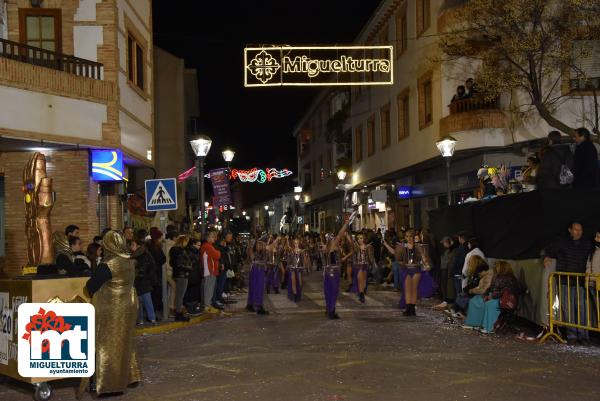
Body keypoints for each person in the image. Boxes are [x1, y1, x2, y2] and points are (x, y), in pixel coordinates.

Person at [81, 231, 140, 396]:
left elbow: (91, 286)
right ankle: (128, 376)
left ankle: (109, 385)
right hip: (128, 306)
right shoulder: (129, 262)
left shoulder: (108, 264)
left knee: (107, 345)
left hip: (112, 310)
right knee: (124, 342)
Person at [544, 221, 592, 344]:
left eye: (580, 230)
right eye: (576, 229)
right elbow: (551, 250)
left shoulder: (586, 244)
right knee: (568, 308)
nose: (578, 232)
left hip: (580, 281)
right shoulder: (562, 242)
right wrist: (546, 256)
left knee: (581, 309)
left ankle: (583, 336)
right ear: (570, 230)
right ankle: (572, 336)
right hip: (565, 281)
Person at [323, 212, 357, 319]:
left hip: (328, 273)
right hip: (333, 273)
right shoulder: (332, 246)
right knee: (333, 292)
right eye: (333, 238)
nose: (336, 239)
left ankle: (329, 310)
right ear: (331, 240)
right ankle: (332, 312)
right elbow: (340, 234)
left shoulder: (327, 248)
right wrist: (346, 224)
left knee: (328, 292)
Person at [130, 238, 157, 325]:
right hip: (141, 281)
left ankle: (151, 319)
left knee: (146, 300)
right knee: (139, 301)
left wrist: (139, 274)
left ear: (138, 246)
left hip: (143, 281)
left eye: (132, 245)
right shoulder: (138, 253)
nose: (131, 247)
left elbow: (144, 268)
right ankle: (141, 320)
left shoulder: (141, 255)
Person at [462, 257, 494, 329]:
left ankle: (474, 323)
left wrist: (472, 291)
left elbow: (483, 290)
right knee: (474, 300)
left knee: (475, 301)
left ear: (482, 271)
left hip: (486, 296)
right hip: (485, 295)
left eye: (479, 273)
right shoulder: (485, 275)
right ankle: (474, 322)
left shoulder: (487, 276)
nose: (479, 274)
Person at [347, 232, 376, 303]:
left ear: (364, 239)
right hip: (358, 266)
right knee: (360, 279)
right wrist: (347, 235)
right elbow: (351, 243)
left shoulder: (368, 247)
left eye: (361, 238)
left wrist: (373, 263)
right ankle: (361, 295)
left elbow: (370, 257)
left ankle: (362, 292)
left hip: (365, 266)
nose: (360, 240)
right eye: (358, 238)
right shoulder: (356, 246)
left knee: (364, 281)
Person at [169, 235, 192, 321]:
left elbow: (173, 263)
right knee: (180, 295)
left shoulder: (174, 250)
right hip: (182, 274)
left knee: (179, 295)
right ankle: (178, 313)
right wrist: (188, 267)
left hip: (178, 274)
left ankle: (178, 312)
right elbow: (180, 263)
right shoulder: (180, 251)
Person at [246, 234, 270, 315]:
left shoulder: (262, 251)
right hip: (257, 270)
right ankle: (258, 307)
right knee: (258, 288)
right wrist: (250, 247)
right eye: (259, 244)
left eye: (261, 244)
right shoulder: (255, 251)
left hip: (257, 270)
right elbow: (252, 258)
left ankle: (250, 304)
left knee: (254, 287)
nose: (260, 245)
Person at [201, 231, 222, 313]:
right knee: (209, 288)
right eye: (212, 236)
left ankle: (208, 305)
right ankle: (207, 306)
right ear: (208, 238)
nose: (214, 238)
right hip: (209, 270)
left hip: (210, 270)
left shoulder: (208, 246)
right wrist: (218, 252)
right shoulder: (208, 246)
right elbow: (217, 255)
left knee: (209, 288)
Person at [434, 236, 457, 310]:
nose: (443, 244)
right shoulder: (448, 251)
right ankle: (445, 300)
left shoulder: (452, 251)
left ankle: (447, 301)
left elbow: (449, 262)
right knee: (444, 286)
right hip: (444, 270)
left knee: (447, 286)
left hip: (447, 271)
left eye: (444, 243)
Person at [147, 228, 166, 318]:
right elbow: (161, 259)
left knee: (155, 294)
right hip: (154, 274)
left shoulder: (154, 246)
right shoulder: (154, 247)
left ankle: (153, 313)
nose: (162, 239)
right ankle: (152, 314)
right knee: (155, 294)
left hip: (155, 273)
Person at [286, 236, 309, 302]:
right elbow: (288, 247)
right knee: (293, 282)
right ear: (293, 244)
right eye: (295, 243)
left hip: (299, 269)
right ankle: (295, 295)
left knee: (300, 282)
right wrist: (287, 239)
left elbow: (304, 260)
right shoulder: (291, 250)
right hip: (292, 268)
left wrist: (305, 264)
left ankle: (298, 293)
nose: (296, 244)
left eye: (297, 243)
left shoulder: (301, 251)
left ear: (299, 243)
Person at [586, 230, 600, 328]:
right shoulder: (592, 251)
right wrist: (588, 279)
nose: (596, 239)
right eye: (596, 237)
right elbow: (588, 265)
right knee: (597, 310)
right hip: (593, 284)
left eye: (599, 237)